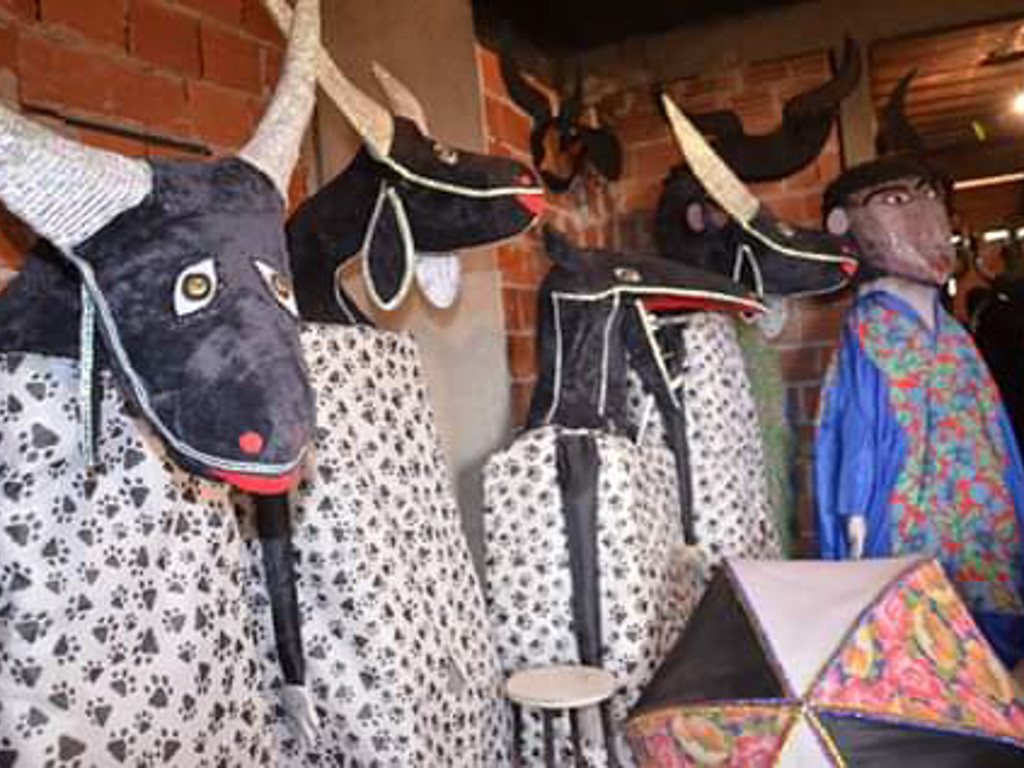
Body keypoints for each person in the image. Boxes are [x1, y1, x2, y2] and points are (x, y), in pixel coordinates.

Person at [815, 154, 1024, 671]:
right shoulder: (871, 326)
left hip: (982, 524)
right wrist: (855, 511)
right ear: (846, 225)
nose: (928, 217)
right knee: (921, 643)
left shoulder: (954, 333)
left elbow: (995, 430)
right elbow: (856, 432)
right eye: (895, 201)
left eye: (931, 196)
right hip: (909, 518)